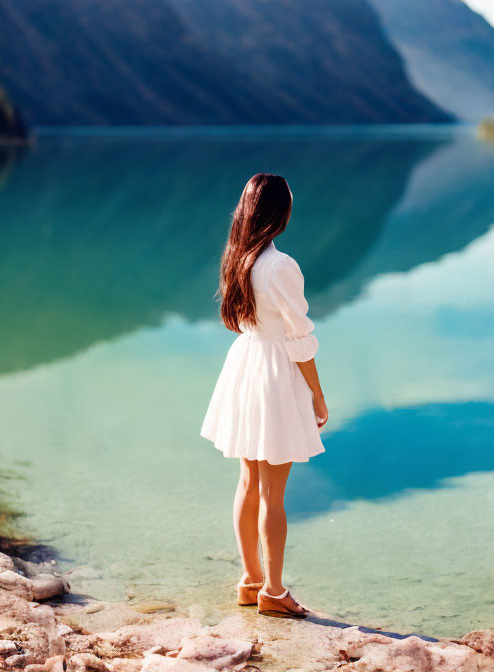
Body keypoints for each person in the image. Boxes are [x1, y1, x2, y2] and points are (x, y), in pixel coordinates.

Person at [200, 173, 327, 619]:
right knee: (274, 493)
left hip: (246, 364)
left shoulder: (239, 258)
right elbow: (299, 337)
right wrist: (317, 394)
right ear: (280, 211)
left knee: (248, 482)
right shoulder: (280, 265)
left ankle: (250, 580)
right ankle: (274, 591)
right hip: (275, 372)